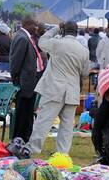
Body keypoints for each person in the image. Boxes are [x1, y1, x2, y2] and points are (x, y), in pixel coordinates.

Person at [30, 21, 92, 156]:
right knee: (67, 126)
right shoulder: (83, 50)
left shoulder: (57, 44)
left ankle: (33, 149)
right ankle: (62, 154)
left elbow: (42, 41)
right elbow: (85, 72)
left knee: (43, 121)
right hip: (72, 91)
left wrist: (56, 28)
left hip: (54, 89)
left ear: (63, 31)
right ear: (76, 32)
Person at [8, 16, 45, 145]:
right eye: (35, 25)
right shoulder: (22, 38)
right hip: (24, 83)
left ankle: (25, 139)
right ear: (28, 24)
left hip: (30, 82)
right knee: (22, 114)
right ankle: (18, 140)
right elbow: (15, 62)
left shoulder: (28, 37)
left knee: (28, 113)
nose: (37, 28)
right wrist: (16, 80)